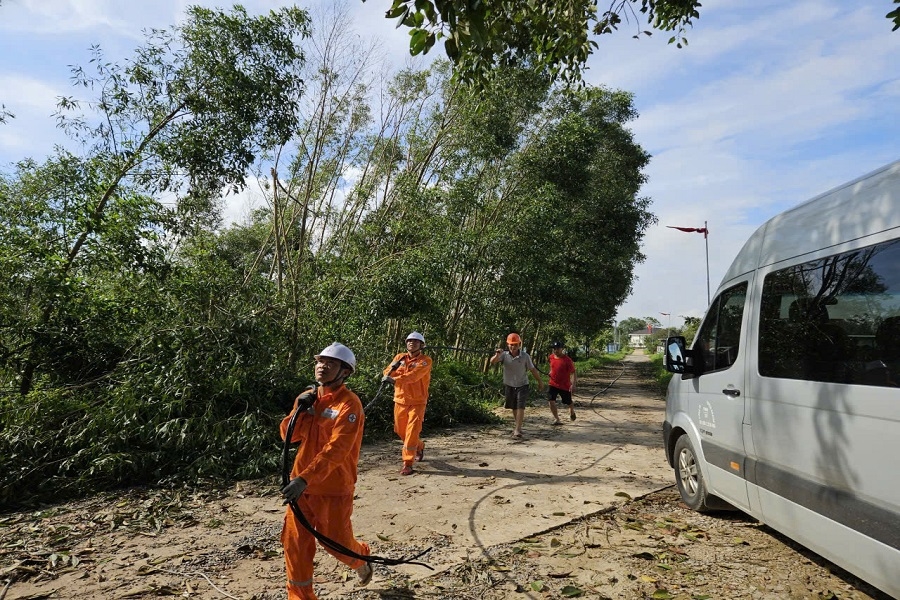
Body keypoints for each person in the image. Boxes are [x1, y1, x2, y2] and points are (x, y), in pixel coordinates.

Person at [280, 342, 372, 600]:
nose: (322, 366)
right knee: (295, 545)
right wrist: (300, 411)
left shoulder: (349, 406)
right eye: (320, 361)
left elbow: (336, 450)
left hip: (332, 488)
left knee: (335, 543)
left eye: (330, 363)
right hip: (300, 487)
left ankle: (360, 558)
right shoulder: (308, 398)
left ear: (345, 372)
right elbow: (288, 436)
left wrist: (304, 479)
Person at [383, 331, 433, 476]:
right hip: (400, 400)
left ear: (421, 345)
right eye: (409, 341)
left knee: (411, 432)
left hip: (417, 402)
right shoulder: (399, 357)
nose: (412, 343)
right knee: (400, 430)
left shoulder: (425, 361)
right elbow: (387, 371)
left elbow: (414, 376)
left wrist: (394, 380)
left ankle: (408, 463)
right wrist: (390, 372)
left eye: (416, 341)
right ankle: (419, 445)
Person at [490, 332, 544, 438]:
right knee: (514, 407)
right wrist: (497, 355)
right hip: (509, 384)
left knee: (520, 406)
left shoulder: (525, 356)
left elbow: (532, 369)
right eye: (511, 344)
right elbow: (492, 361)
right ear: (508, 344)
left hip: (522, 384)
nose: (513, 347)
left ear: (519, 344)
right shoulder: (504, 355)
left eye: (515, 344)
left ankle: (517, 429)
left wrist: (540, 381)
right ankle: (518, 425)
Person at [547, 341, 577, 423]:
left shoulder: (567, 360)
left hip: (564, 385)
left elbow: (573, 372)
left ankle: (572, 411)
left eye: (558, 348)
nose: (556, 350)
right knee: (551, 401)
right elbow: (552, 367)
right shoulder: (551, 357)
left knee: (568, 402)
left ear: (562, 349)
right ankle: (557, 419)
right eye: (554, 349)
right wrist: (550, 372)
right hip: (552, 383)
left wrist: (573, 384)